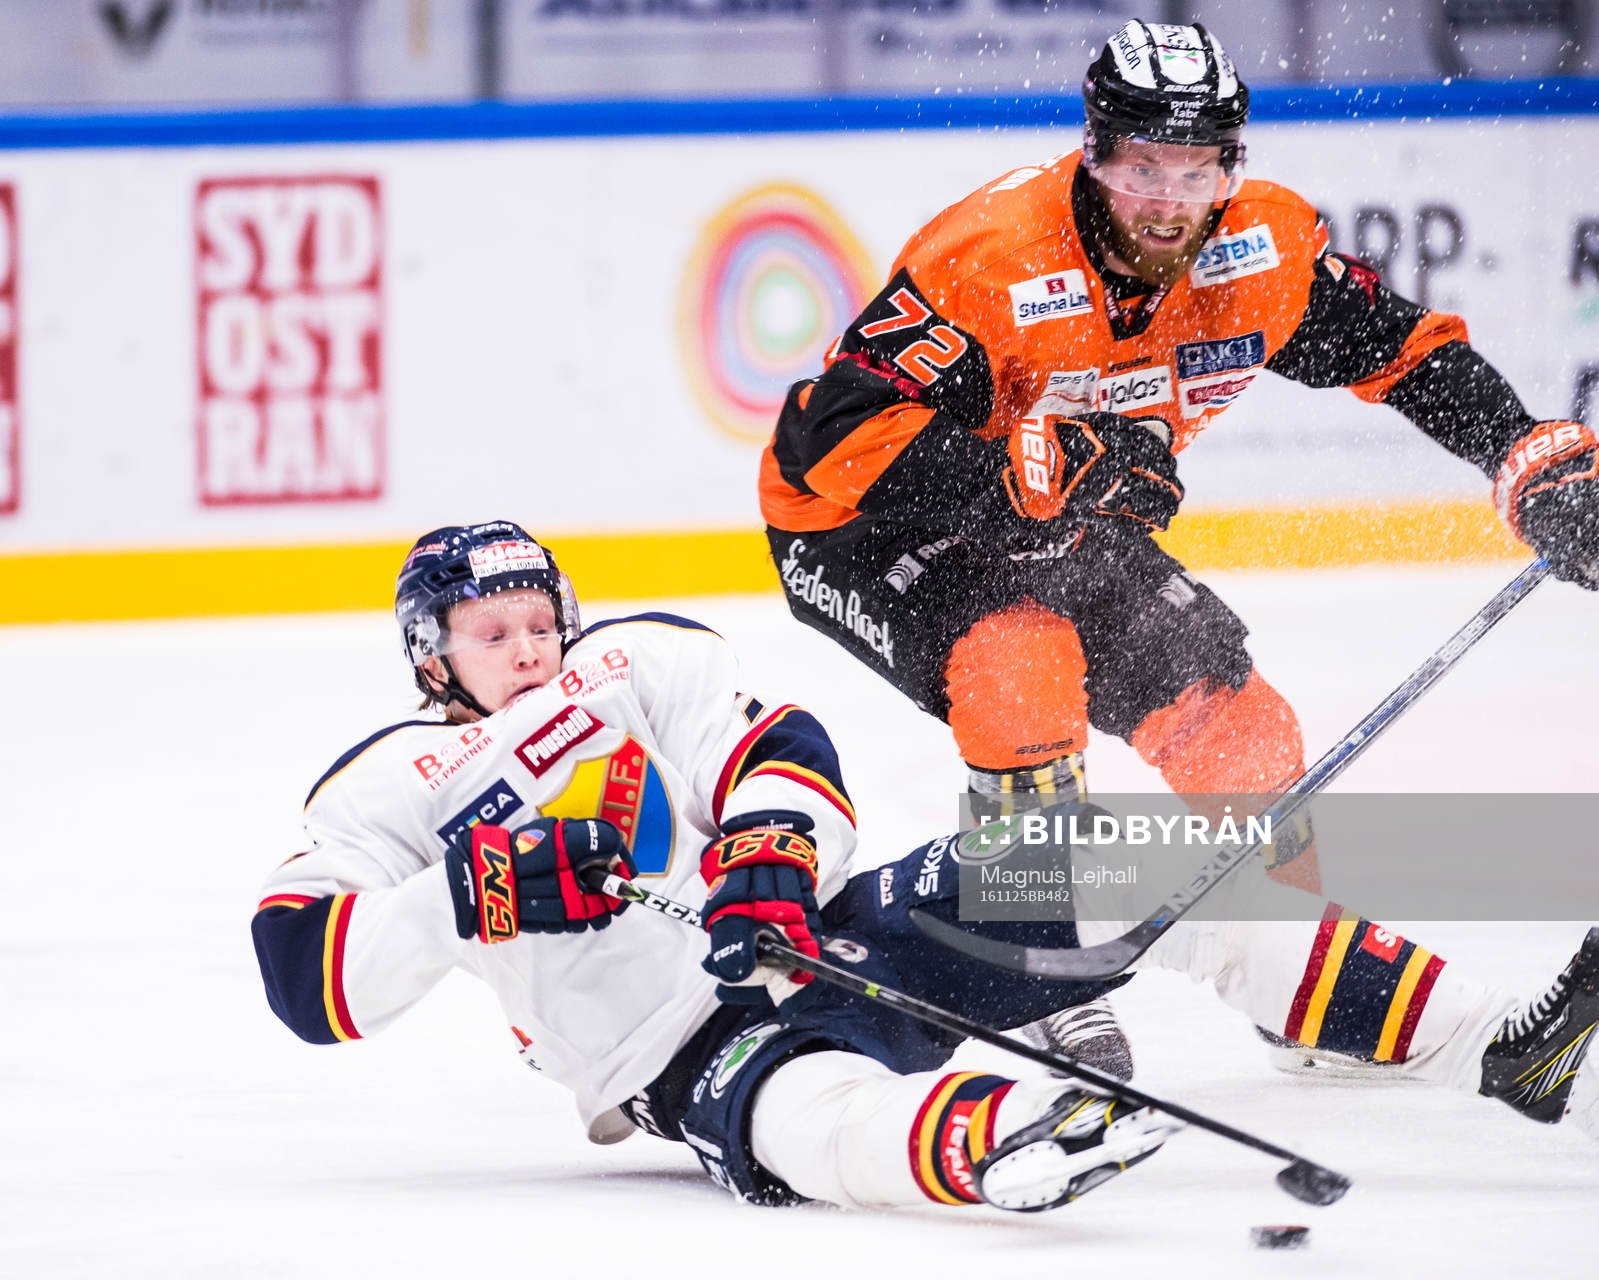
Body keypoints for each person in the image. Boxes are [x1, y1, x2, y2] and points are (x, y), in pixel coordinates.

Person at [251, 520, 1596, 1214]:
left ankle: (1493, 1045)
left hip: (825, 939)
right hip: (674, 1058)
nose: (528, 648)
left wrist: (767, 873)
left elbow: (773, 746)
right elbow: (304, 976)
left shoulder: (633, 662)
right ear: (434, 658)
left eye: (538, 618)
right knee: (806, 1121)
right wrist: (469, 889)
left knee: (1105, 856)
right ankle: (1004, 1152)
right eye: (492, 632)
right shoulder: (390, 786)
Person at [759, 15, 1599, 1068]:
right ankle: (1032, 963)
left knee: (1243, 731)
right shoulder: (995, 258)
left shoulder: (1265, 248)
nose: (1165, 199)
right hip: (865, 525)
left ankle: (1306, 980)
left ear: (1231, 168)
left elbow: (1407, 354)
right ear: (1096, 151)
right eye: (1140, 165)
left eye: (1195, 169)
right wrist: (1034, 471)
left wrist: (1531, 456)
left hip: (1058, 517)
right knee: (1022, 669)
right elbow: (818, 438)